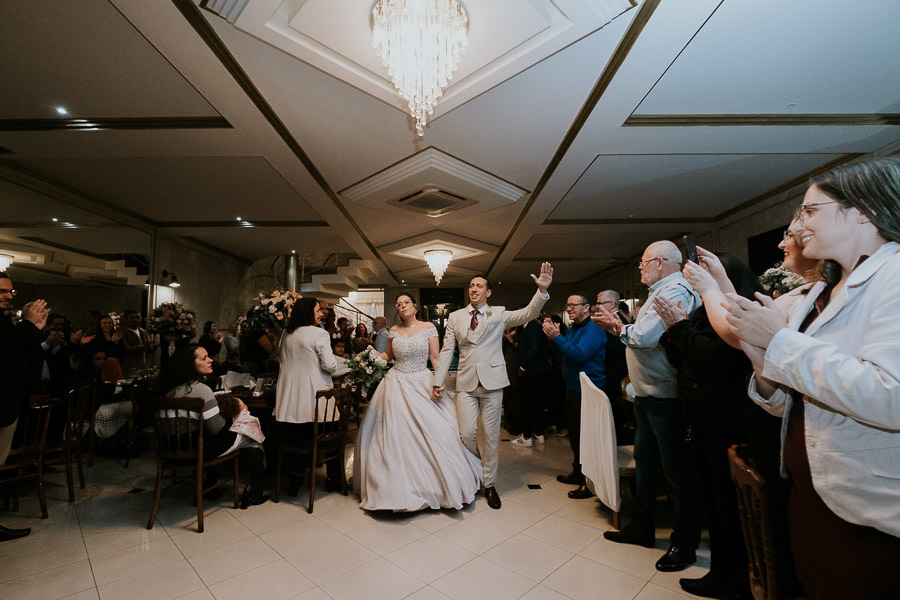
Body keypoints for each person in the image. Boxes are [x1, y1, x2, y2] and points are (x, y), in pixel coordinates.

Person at [724, 157, 900, 599]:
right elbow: (802, 394)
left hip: (871, 510)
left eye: (810, 210)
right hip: (812, 492)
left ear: (863, 212)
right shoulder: (822, 289)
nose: (798, 225)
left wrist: (779, 341)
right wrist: (764, 368)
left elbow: (890, 396)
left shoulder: (894, 277)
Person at [658, 254, 766, 600]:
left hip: (728, 422)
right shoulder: (704, 313)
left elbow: (720, 359)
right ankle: (721, 573)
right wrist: (672, 329)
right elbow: (683, 359)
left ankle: (736, 579)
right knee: (714, 504)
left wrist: (680, 328)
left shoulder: (739, 313)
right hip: (702, 419)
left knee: (729, 508)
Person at [593, 240, 702, 572]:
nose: (639, 267)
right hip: (647, 396)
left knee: (677, 474)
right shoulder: (660, 292)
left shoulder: (676, 290)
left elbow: (644, 337)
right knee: (647, 465)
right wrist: (623, 327)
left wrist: (617, 327)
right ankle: (641, 529)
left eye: (643, 262)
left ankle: (685, 545)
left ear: (660, 262)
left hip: (667, 397)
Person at [432, 263, 553, 510]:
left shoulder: (498, 313)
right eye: (471, 285)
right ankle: (476, 470)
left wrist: (541, 292)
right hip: (466, 383)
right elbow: (446, 350)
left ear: (488, 292)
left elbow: (527, 314)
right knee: (466, 433)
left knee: (490, 436)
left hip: (493, 383)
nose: (474, 289)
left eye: (479, 286)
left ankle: (489, 484)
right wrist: (438, 381)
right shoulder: (456, 317)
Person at [356, 293, 481, 511]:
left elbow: (436, 358)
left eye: (406, 302)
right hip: (395, 383)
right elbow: (388, 356)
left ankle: (437, 485)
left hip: (422, 380)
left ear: (415, 306)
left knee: (439, 431)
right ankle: (394, 488)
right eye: (399, 304)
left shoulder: (429, 328)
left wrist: (439, 383)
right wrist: (369, 358)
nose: (402, 306)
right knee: (394, 433)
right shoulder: (394, 331)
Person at [157, 345, 267, 509]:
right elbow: (217, 429)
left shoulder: (167, 391)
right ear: (190, 364)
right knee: (251, 433)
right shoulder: (201, 390)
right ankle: (255, 493)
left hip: (169, 450)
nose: (210, 360)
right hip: (197, 451)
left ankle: (211, 486)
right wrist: (236, 414)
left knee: (207, 432)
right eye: (204, 358)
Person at [274, 297, 347, 491]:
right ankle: (335, 480)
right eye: (317, 311)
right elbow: (330, 365)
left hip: (290, 397)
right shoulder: (319, 333)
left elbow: (281, 360)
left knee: (296, 437)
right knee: (333, 434)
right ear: (308, 313)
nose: (321, 314)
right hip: (315, 395)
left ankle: (294, 481)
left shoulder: (286, 333)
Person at [543, 294, 606, 500]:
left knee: (587, 438)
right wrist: (553, 339)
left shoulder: (594, 329)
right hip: (572, 388)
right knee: (576, 435)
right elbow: (563, 356)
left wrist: (558, 337)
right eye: (567, 305)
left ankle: (589, 482)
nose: (569, 308)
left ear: (586, 307)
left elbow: (579, 355)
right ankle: (578, 472)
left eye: (573, 305)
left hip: (588, 391)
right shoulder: (573, 329)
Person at [0, 274, 49, 541]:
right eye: (1, 291)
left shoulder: (5, 320)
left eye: (10, 291)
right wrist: (28, 325)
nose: (7, 296)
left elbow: (18, 352)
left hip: (8, 402)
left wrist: (35, 329)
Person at [511, 313, 551, 447]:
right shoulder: (537, 327)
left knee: (527, 405)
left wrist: (523, 367)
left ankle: (527, 436)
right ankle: (539, 434)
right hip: (539, 371)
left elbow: (534, 348)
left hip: (530, 373)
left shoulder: (531, 328)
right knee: (537, 404)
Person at [118, 309, 155, 377]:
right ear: (126, 319)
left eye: (138, 317)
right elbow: (126, 349)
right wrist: (144, 346)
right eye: (132, 318)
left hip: (144, 367)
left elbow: (147, 350)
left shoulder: (143, 331)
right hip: (130, 369)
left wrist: (151, 347)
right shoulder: (122, 332)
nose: (135, 320)